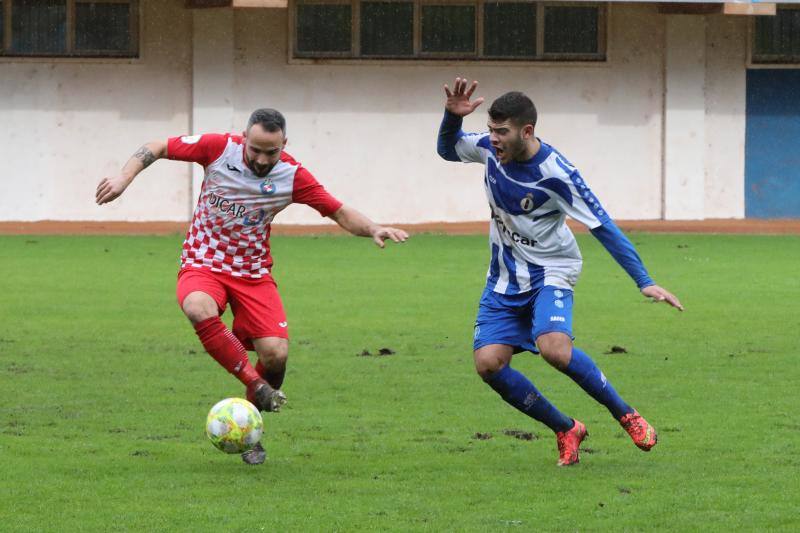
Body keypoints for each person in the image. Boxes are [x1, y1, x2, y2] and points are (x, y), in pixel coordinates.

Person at [96, 108, 408, 465]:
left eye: (270, 152)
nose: (261, 159)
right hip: (204, 263)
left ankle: (249, 422)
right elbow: (157, 146)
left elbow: (337, 211)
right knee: (198, 307)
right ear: (244, 138)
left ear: (283, 145)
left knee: (276, 355)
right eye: (255, 149)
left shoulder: (293, 175)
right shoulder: (217, 148)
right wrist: (124, 178)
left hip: (253, 273)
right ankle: (255, 385)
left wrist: (373, 228)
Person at [436, 78, 683, 466]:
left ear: (527, 131)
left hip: (553, 268)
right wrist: (451, 118)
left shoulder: (557, 173)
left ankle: (626, 414)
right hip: (504, 276)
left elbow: (603, 226)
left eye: (502, 132)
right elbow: (448, 150)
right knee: (488, 365)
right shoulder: (488, 150)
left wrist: (644, 280)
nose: (493, 139)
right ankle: (566, 428)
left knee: (554, 348)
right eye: (491, 131)